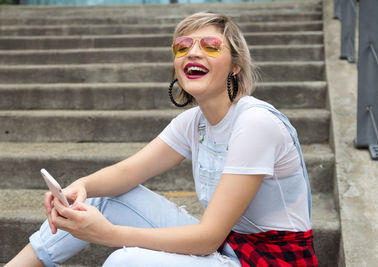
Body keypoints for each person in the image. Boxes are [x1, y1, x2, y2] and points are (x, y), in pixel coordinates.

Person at [6, 12, 318, 267]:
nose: (192, 52)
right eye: (182, 47)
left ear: (235, 67)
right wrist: (82, 186)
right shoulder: (194, 122)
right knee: (99, 196)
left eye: (210, 45)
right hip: (227, 248)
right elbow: (127, 173)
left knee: (125, 262)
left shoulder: (255, 123)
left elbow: (208, 237)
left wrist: (109, 234)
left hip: (266, 261)